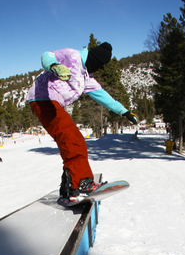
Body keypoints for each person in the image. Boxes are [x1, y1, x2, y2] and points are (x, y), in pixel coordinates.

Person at [26, 42, 137, 205]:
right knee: (73, 139)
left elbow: (103, 96)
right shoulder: (72, 55)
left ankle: (69, 186)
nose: (98, 68)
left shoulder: (86, 78)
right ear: (93, 58)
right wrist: (54, 65)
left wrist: (124, 111)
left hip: (51, 102)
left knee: (70, 140)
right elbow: (47, 55)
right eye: (99, 64)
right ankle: (81, 184)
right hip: (43, 98)